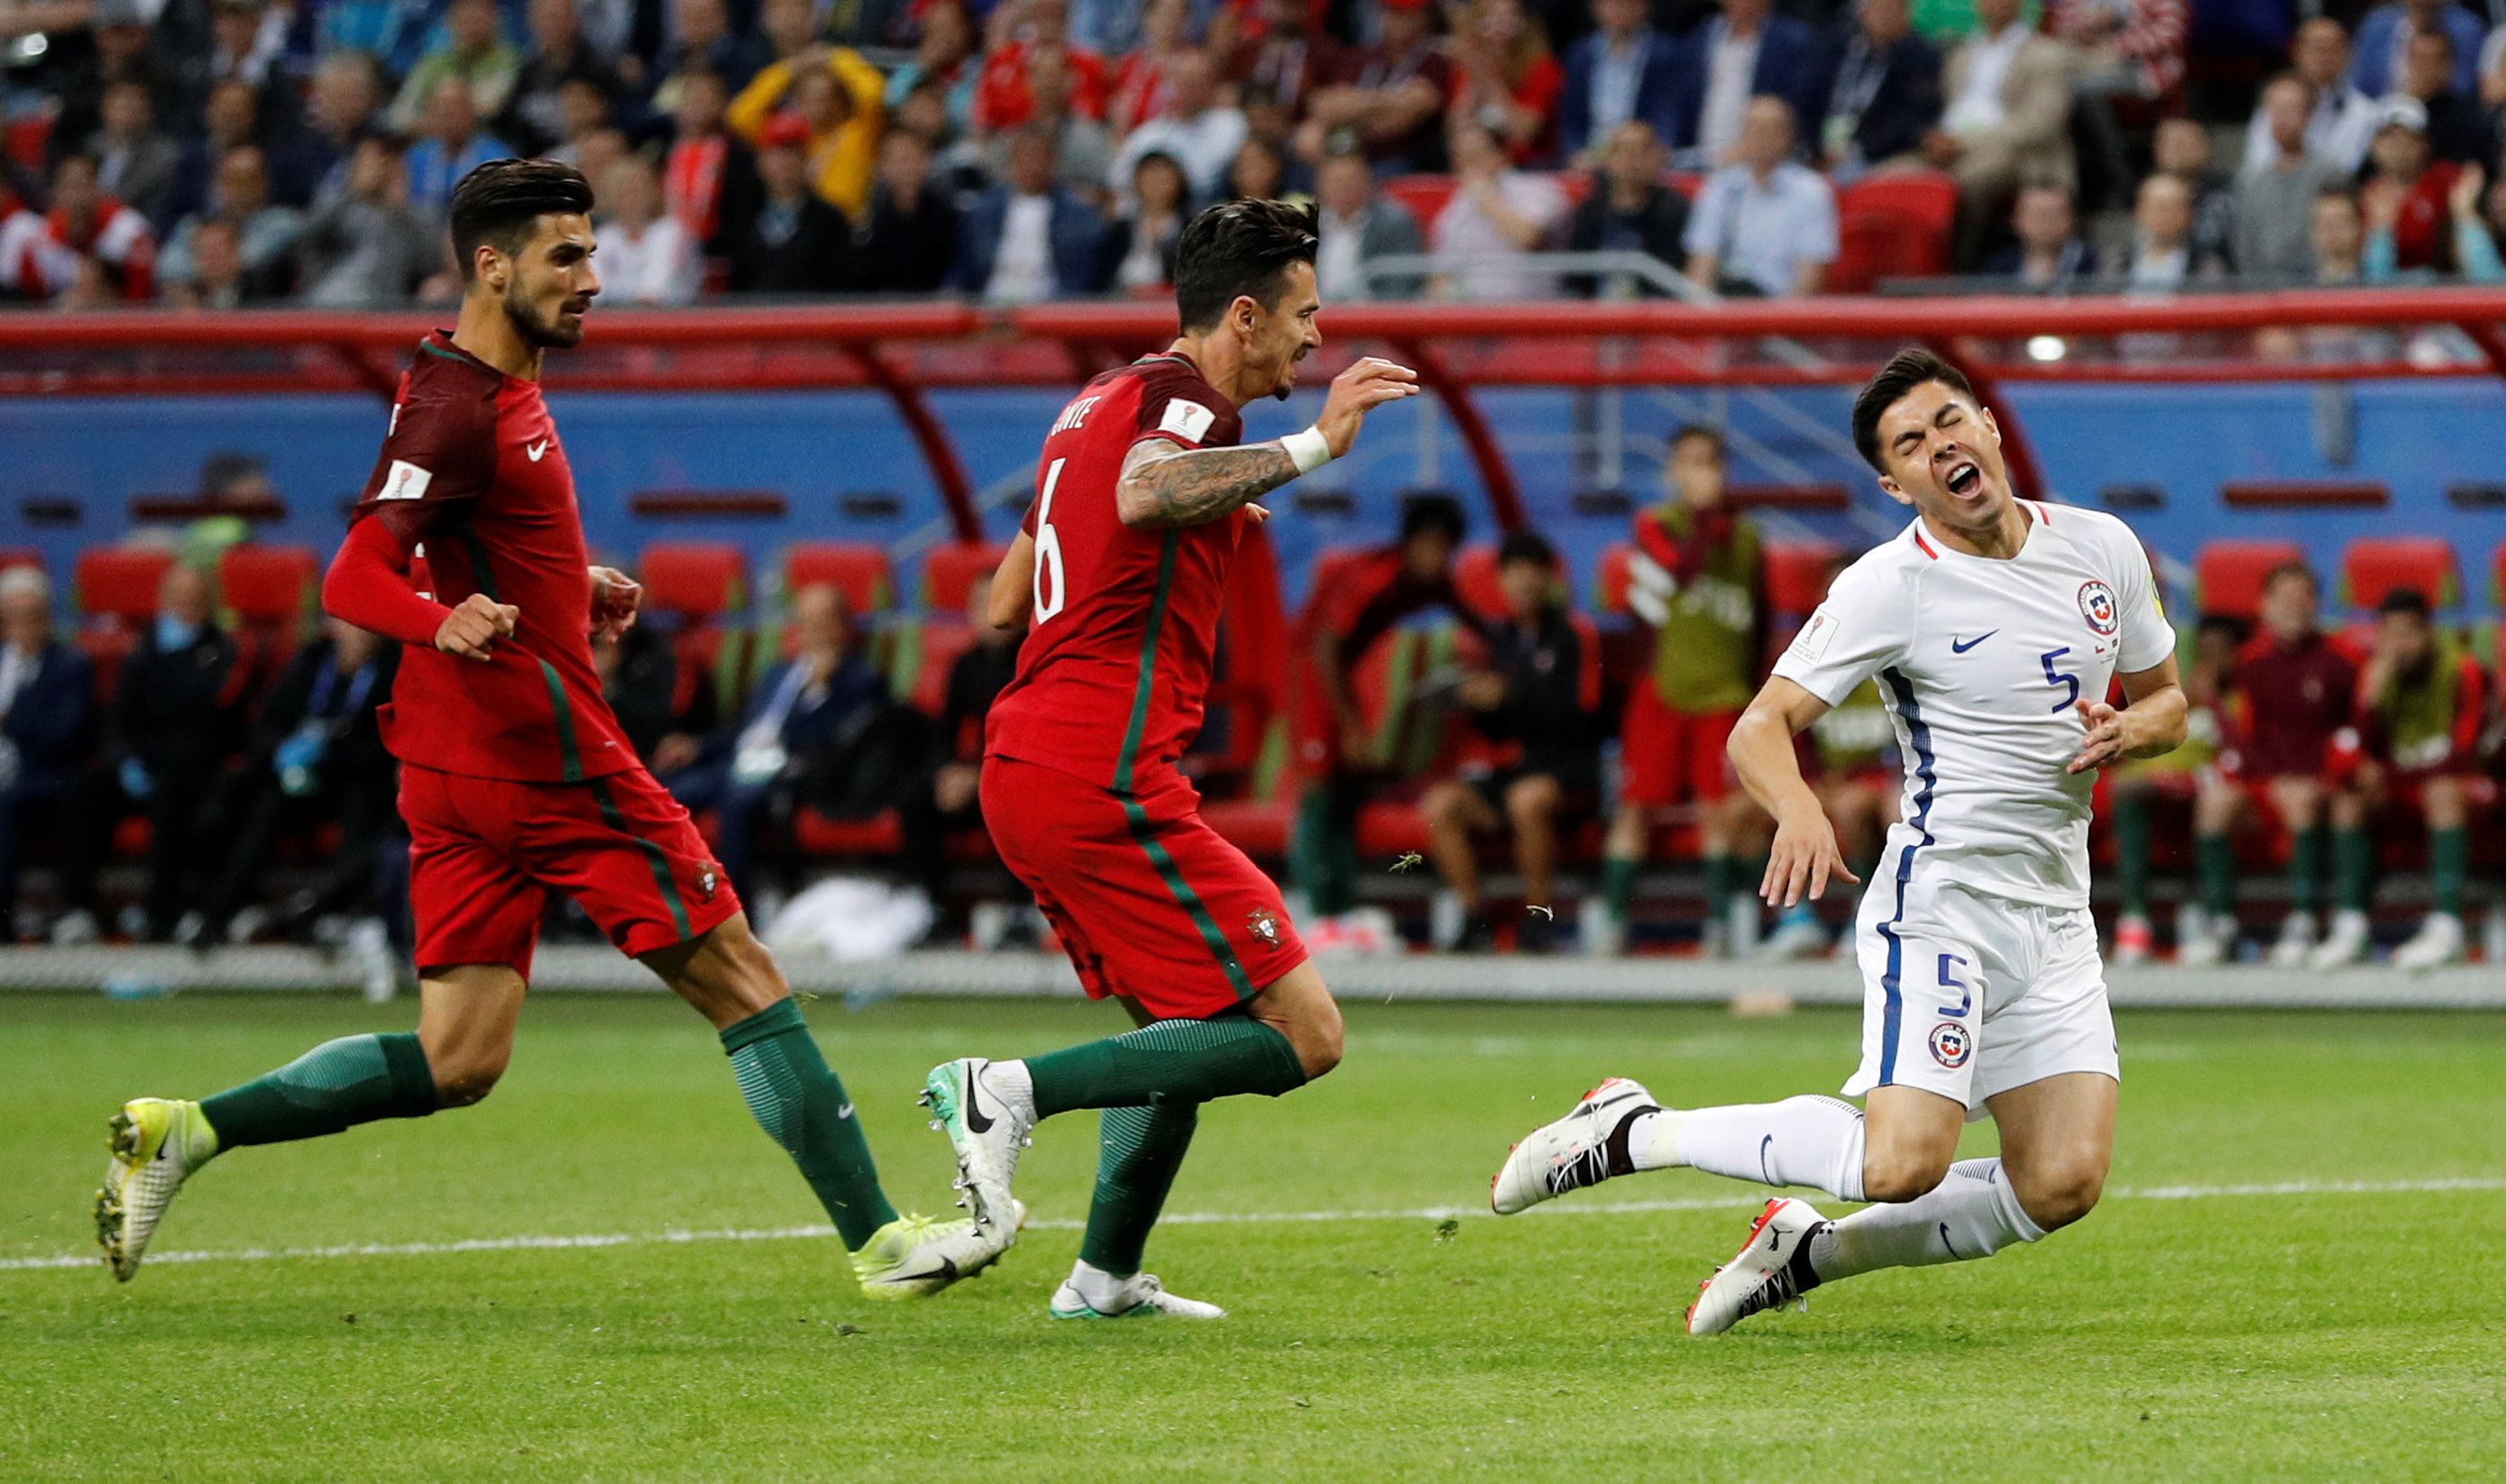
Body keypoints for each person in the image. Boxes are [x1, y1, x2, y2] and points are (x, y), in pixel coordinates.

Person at [95, 159, 999, 1301]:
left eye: (592, 253)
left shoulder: (482, 385)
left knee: (457, 1058)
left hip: (456, 766)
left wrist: (571, 583)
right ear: (492, 264)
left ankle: (186, 1130)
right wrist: (441, 617)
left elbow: (462, 537)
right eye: (566, 255)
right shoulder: (457, 405)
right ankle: (881, 1241)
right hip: (548, 760)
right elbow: (352, 575)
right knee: (744, 975)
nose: (593, 279)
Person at [1495, 346, 2186, 1337]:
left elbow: (2170, 701)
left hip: (2055, 910)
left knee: (2062, 1179)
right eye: (1911, 442)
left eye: (1949, 419)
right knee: (1904, 1159)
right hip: (1943, 898)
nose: (1940, 443)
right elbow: (1758, 725)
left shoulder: (2101, 547)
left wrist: (2133, 729)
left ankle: (1810, 1250)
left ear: (1988, 424)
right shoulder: (1888, 585)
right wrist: (1802, 808)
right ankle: (1632, 1129)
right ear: (1893, 482)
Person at [923, 199, 1418, 1321]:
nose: (1313, 340)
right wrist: (1313, 447)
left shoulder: (1093, 398)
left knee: (1179, 1025)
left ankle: (1102, 1275)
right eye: (1302, 315)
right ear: (1242, 315)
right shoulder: (1180, 401)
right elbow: (1145, 493)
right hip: (1096, 768)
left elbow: (1004, 598)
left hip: (1036, 758)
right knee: (1304, 1031)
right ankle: (1003, 1093)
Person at [1598, 424, 1768, 957]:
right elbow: (1680, 572)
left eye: (1710, 463)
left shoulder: (1747, 539)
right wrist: (1703, 517)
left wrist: (1757, 689)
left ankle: (1717, 930)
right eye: (1691, 463)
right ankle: (1611, 925)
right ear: (1673, 472)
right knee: (1635, 810)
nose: (1703, 474)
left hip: (1723, 694)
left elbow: (1759, 619)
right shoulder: (1653, 525)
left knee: (1717, 810)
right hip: (1663, 690)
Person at [1293, 492, 1478, 921]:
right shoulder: (1372, 575)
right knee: (1321, 787)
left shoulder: (1433, 581)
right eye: (1432, 547)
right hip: (1313, 672)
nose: (1439, 559)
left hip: (1339, 674)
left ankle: (1342, 907)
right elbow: (1325, 645)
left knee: (1349, 787)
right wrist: (1353, 725)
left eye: (1447, 550)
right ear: (1413, 543)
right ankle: (1317, 909)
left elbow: (1473, 619)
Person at [1418, 531, 1601, 955]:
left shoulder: (1575, 635)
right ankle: (1473, 916)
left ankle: (1539, 920)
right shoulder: (1499, 641)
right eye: (1512, 572)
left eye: (1531, 571)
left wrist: (1512, 694)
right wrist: (1475, 702)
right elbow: (1500, 731)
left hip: (1568, 771)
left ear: (1549, 577)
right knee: (1441, 805)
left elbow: (1584, 714)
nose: (1523, 582)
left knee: (1526, 800)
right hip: (1517, 771)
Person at [2180, 562, 2356, 967]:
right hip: (2266, 783)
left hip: (2320, 784)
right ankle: (2220, 924)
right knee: (2215, 801)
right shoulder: (2250, 665)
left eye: (2304, 598)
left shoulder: (2340, 661)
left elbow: (2355, 733)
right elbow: (2243, 741)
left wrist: (2324, 774)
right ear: (2266, 606)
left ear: (2317, 604)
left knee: (2299, 798)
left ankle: (2303, 922)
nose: (2295, 608)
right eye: (2285, 599)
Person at [184, 618, 399, 948]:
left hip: (354, 779)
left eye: (363, 628)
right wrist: (284, 749)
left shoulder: (391, 670)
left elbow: (387, 745)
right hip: (298, 778)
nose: (354, 635)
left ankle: (328, 911)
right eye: (347, 625)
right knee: (260, 805)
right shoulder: (312, 661)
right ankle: (219, 914)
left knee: (366, 806)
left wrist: (331, 753)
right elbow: (269, 721)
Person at [664, 583, 886, 902]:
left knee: (738, 804)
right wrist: (697, 746)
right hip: (740, 763)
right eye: (805, 624)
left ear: (842, 626)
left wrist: (820, 693)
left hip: (789, 772)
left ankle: (734, 913)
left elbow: (833, 742)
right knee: (668, 794)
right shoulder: (778, 673)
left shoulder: (859, 679)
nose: (813, 634)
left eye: (822, 624)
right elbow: (746, 731)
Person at [2335, 588, 2487, 970]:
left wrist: (2393, 774)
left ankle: (2447, 927)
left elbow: (2465, 756)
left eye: (2408, 634)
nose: (2398, 646)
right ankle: (2351, 927)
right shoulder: (2375, 674)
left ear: (2428, 634)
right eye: (2389, 635)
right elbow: (2348, 757)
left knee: (2442, 792)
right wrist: (2370, 699)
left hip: (2462, 787)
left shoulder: (2460, 670)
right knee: (2350, 797)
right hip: (2404, 785)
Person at [2108, 611, 2240, 965]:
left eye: (2221, 652)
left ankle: (2217, 921)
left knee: (2214, 803)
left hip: (2213, 787)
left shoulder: (2239, 699)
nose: (2212, 662)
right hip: (2157, 784)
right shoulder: (2172, 696)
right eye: (2205, 652)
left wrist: (2212, 700)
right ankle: (2134, 918)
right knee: (2127, 789)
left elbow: (2244, 751)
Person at [899, 576, 1021, 942]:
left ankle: (1019, 914)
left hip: (1015, 773)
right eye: (978, 605)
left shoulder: (1034, 660)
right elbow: (945, 732)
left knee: (1012, 802)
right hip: (974, 776)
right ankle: (935, 910)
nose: (987, 614)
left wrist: (980, 775)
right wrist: (947, 772)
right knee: (916, 801)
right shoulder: (965, 665)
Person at [1927, 0, 2079, 265]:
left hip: (2017, 153)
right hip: (1950, 147)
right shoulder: (1961, 53)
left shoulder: (2045, 53)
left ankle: (1956, 265)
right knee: (1895, 174)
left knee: (1966, 180)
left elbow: (2040, 123)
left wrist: (1966, 142)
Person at [0, 566, 95, 941]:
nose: (24, 626)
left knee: (6, 803)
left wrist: (10, 719)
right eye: (14, 617)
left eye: (34, 616)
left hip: (42, 775)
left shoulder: (69, 665)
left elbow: (63, 733)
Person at [1683, 96, 1837, 297]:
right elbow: (1700, 266)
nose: (1761, 139)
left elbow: (1809, 280)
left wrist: (1775, 324)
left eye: (1771, 130)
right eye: (1753, 130)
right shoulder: (1720, 188)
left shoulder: (1812, 192)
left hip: (1781, 315)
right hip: (1722, 311)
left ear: (1788, 137)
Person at [950, 124, 1106, 302]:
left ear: (1053, 163)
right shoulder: (982, 212)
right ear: (1011, 163)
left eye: (1039, 158)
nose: (1032, 166)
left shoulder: (1080, 217)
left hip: (1050, 310)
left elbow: (1083, 280)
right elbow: (965, 269)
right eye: (1024, 158)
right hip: (989, 308)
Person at [1295, 0, 1453, 174]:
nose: (1396, 21)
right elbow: (1322, 103)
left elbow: (1407, 115)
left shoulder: (1433, 60)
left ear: (1423, 18)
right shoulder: (1366, 56)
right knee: (1305, 155)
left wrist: (1350, 108)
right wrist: (1385, 104)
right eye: (1391, 12)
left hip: (1400, 156)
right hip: (1352, 153)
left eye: (1405, 15)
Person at [1667, 0, 1825, 169]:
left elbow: (1798, 111)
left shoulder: (1793, 41)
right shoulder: (1700, 37)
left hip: (1763, 166)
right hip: (1699, 161)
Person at [1430, 116, 1567, 300]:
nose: (1467, 166)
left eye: (1475, 155)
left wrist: (1485, 197)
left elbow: (1528, 238)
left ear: (1500, 156)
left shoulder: (1539, 190)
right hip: (1471, 321)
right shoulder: (1452, 213)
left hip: (1533, 317)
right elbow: (1441, 278)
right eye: (1460, 158)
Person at [723, 114, 855, 294]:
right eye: (776, 153)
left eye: (793, 152)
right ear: (760, 162)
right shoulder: (742, 218)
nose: (784, 162)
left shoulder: (830, 220)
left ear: (806, 160)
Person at [2235, 74, 2349, 282]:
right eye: (2275, 110)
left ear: (2309, 114)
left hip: (2316, 292)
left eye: (2290, 110)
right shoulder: (2250, 180)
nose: (2282, 118)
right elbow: (2244, 248)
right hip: (2262, 294)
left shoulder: (2330, 175)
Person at [1813, 0, 1943, 179]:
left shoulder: (1921, 58)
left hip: (1875, 154)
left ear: (1905, 14)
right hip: (1822, 148)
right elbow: (1809, 98)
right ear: (1862, 14)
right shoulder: (1838, 48)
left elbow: (1910, 121)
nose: (1883, 16)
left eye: (1890, 9)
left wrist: (1860, 149)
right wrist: (1816, 149)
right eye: (1877, 8)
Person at [1563, 119, 1689, 296]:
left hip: (1653, 314)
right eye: (1624, 150)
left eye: (1642, 151)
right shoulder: (1589, 212)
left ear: (1658, 157)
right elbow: (1574, 280)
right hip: (1594, 315)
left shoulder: (1674, 211)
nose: (1632, 160)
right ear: (1608, 159)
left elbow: (1674, 280)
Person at [2243, 17, 2377, 176]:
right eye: (2317, 48)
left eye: (2332, 48)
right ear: (2297, 53)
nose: (2324, 56)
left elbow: (2351, 168)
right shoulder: (2276, 102)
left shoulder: (2366, 112)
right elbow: (2257, 162)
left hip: (2337, 194)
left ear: (2347, 54)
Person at [1107, 49, 1246, 202]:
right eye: (1182, 81)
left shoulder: (1231, 125)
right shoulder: (1150, 133)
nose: (1189, 89)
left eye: (1197, 81)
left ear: (1212, 84)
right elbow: (1117, 180)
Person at [1558, 0, 1682, 164]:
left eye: (1628, 3)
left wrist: (1652, 151)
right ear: (1596, 6)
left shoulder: (1664, 54)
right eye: (1613, 3)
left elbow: (1666, 115)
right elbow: (1572, 119)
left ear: (1644, 6)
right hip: (1591, 157)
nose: (1621, 10)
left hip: (1640, 156)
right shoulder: (1581, 54)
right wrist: (1575, 154)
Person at [1311, 146, 1425, 301]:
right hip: (1317, 315)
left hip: (1371, 317)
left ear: (1368, 181)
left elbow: (1400, 284)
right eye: (1335, 181)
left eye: (1351, 180)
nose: (1344, 187)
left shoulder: (1394, 222)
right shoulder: (1308, 225)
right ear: (1320, 185)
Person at [858, 127, 959, 294]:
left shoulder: (947, 216)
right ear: (884, 167)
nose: (908, 169)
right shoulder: (871, 221)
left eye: (915, 158)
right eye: (900, 160)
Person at [592, 155, 700, 306]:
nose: (633, 199)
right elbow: (594, 293)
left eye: (639, 190)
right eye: (625, 191)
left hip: (671, 318)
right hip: (616, 319)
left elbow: (655, 291)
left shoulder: (672, 231)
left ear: (653, 192)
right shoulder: (604, 237)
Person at [1098, 150, 1189, 292]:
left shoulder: (1189, 226)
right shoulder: (1120, 229)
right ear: (1136, 181)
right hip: (1122, 299)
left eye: (1163, 180)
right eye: (1150, 179)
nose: (1156, 186)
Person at [2350, 0, 2483, 98]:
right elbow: (2359, 83)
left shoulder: (2467, 28)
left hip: (2441, 111)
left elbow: (2466, 86)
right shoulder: (2377, 25)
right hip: (2383, 112)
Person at [1982, 179, 2097, 286]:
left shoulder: (2091, 265)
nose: (2045, 223)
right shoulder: (1999, 266)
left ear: (2071, 218)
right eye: (2036, 214)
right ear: (2016, 219)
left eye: (2052, 214)